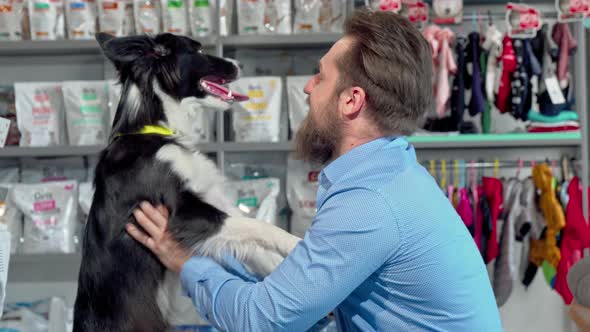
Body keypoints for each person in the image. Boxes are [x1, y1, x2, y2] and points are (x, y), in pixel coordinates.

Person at [126, 9, 502, 331]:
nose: (307, 88)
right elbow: (309, 302)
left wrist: (186, 263)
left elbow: (261, 320)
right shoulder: (394, 175)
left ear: (351, 101)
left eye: (320, 76)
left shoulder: (369, 203)